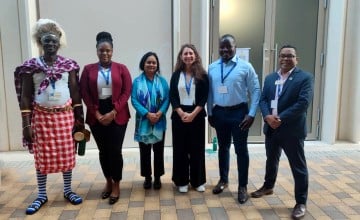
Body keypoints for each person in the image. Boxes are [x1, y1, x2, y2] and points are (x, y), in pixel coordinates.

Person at [14, 18, 84, 215]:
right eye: (46, 40)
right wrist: (26, 126)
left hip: (65, 118)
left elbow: (75, 92)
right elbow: (26, 97)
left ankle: (68, 190)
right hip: (41, 119)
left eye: (54, 41)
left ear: (59, 42)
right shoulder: (31, 66)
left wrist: (80, 119)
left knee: (67, 155)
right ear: (40, 42)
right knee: (42, 157)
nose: (50, 44)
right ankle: (42, 194)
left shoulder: (68, 65)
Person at [251, 45, 313, 219]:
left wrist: (281, 118)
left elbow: (303, 103)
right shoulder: (271, 78)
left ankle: (301, 202)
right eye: (283, 56)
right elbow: (263, 99)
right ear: (278, 58)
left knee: (298, 166)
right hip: (271, 128)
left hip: (291, 130)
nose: (286, 59)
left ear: (296, 59)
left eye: (290, 56)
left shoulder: (305, 78)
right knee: (271, 160)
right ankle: (268, 186)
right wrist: (267, 117)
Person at [207, 34, 260, 204]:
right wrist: (210, 113)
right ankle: (223, 180)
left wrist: (251, 114)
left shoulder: (246, 67)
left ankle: (242, 186)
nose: (225, 50)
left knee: (241, 150)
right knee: (223, 147)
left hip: (239, 113)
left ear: (235, 48)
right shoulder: (212, 68)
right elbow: (209, 93)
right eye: (222, 47)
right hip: (220, 113)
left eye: (228, 47)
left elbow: (256, 90)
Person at [80, 31, 132, 205]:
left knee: (115, 151)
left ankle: (117, 185)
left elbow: (127, 91)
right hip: (97, 114)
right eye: (101, 50)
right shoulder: (88, 70)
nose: (105, 53)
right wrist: (96, 112)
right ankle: (108, 181)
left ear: (112, 51)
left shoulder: (122, 68)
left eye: (108, 50)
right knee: (103, 151)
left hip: (117, 113)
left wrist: (114, 111)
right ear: (96, 51)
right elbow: (85, 93)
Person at [170, 44, 209, 193]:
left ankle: (197, 181)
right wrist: (181, 113)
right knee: (180, 150)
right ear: (181, 57)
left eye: (191, 53)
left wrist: (193, 114)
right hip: (179, 117)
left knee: (197, 149)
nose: (188, 56)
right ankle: (182, 181)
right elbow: (172, 96)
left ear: (196, 56)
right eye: (185, 54)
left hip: (197, 116)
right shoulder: (175, 75)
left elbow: (204, 97)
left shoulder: (202, 75)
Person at [131, 52, 170, 190]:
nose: (151, 65)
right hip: (143, 121)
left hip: (159, 121)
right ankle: (147, 177)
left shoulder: (163, 81)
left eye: (154, 62)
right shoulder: (137, 81)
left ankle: (158, 177)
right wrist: (147, 114)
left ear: (157, 65)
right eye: (148, 62)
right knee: (145, 151)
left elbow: (167, 99)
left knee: (158, 151)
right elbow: (134, 100)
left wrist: (159, 113)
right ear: (143, 64)